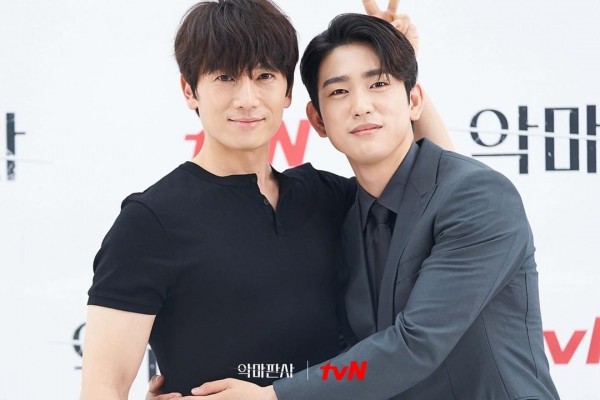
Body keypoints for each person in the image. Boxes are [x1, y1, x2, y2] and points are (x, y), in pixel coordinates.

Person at [80, 0, 449, 399]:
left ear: (287, 90)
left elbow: (442, 192)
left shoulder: (328, 198)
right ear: (190, 90)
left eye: (264, 76)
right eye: (225, 77)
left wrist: (396, 64)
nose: (247, 98)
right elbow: (102, 388)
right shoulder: (150, 222)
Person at [187, 12, 560, 400]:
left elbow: (416, 344)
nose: (361, 106)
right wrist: (189, 383)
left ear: (414, 100)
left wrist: (272, 397)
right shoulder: (341, 210)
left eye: (379, 84)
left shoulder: (479, 198)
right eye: (339, 92)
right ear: (318, 120)